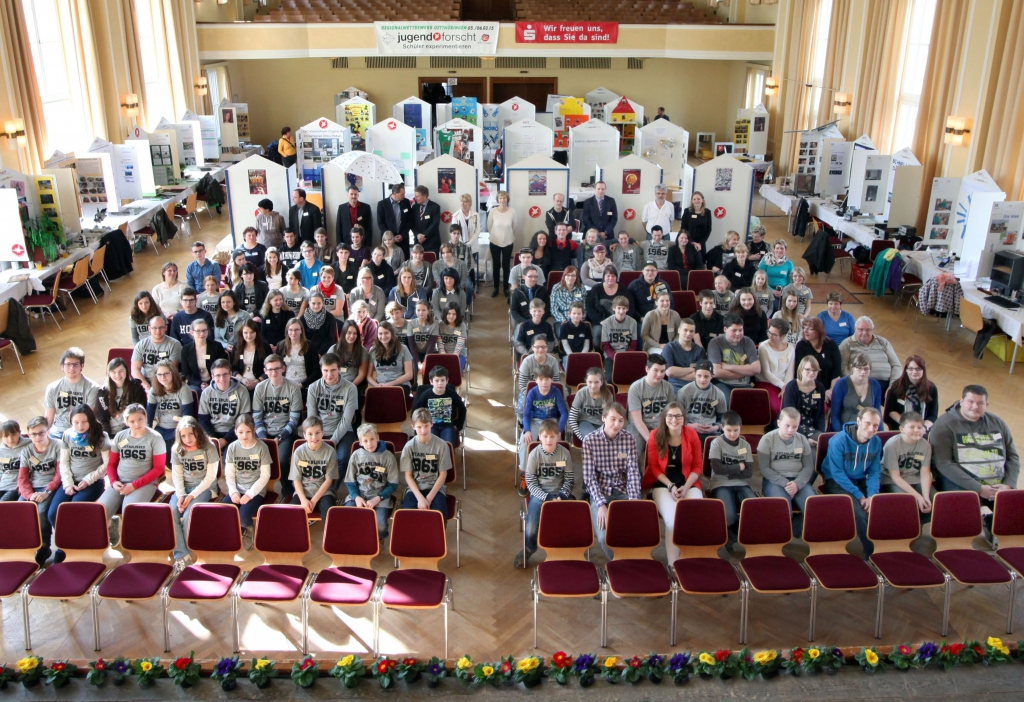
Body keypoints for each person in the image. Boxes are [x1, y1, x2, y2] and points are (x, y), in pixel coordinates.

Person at [930, 385, 1019, 506]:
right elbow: (943, 463)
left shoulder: (998, 423)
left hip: (998, 485)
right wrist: (979, 488)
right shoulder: (944, 425)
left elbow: (1012, 457)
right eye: (970, 402)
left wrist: (1008, 485)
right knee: (967, 510)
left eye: (980, 403)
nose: (975, 407)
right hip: (960, 484)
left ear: (986, 405)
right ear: (961, 402)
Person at [643, 402, 703, 563]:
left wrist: (686, 487)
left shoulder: (692, 435)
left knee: (695, 517)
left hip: (688, 483)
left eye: (678, 416)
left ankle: (690, 558)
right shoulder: (655, 435)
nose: (674, 420)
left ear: (684, 418)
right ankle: (673, 564)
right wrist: (670, 486)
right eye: (670, 416)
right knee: (672, 521)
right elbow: (654, 467)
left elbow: (698, 466)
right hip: (663, 483)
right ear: (664, 418)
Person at [48, 405, 109, 560]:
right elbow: (64, 462)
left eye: (84, 422)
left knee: (74, 511)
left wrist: (87, 481)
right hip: (71, 481)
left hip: (92, 482)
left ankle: (70, 549)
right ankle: (67, 543)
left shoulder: (101, 436)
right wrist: (68, 483)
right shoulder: (67, 435)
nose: (80, 426)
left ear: (90, 421)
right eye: (76, 422)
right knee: (53, 513)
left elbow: (107, 465)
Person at [582, 402, 641, 559]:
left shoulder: (629, 439)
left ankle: (632, 560)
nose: (616, 424)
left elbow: (633, 472)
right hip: (601, 492)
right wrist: (601, 504)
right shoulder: (589, 441)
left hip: (623, 490)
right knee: (604, 537)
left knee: (636, 530)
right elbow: (589, 478)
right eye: (613, 419)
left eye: (621, 421)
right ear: (603, 418)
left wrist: (634, 500)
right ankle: (618, 562)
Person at [822, 407, 882, 558]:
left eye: (875, 425)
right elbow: (837, 474)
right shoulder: (838, 441)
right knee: (860, 514)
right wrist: (861, 496)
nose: (871, 429)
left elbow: (875, 472)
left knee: (877, 508)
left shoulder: (876, 442)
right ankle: (872, 553)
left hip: (860, 479)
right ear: (858, 421)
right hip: (836, 481)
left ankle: (885, 545)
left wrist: (872, 496)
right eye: (867, 423)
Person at [98, 404, 167, 535]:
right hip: (120, 482)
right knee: (99, 512)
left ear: (146, 417)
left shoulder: (156, 438)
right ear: (126, 422)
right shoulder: (120, 436)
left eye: (140, 419)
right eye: (132, 421)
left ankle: (131, 544)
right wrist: (113, 481)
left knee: (129, 512)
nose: (137, 424)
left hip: (144, 483)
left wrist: (134, 485)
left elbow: (158, 469)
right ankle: (112, 530)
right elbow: (112, 464)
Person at [516, 419, 575, 568]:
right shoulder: (534, 455)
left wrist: (561, 496)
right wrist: (548, 498)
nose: (549, 440)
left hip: (561, 493)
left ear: (558, 437)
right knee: (531, 526)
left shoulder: (564, 454)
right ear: (540, 437)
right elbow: (531, 482)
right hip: (540, 494)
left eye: (552, 436)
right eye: (545, 436)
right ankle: (530, 546)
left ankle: (571, 548)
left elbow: (569, 479)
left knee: (575, 516)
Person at [168, 417, 219, 565]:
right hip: (184, 489)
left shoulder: (209, 447)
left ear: (197, 432)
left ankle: (189, 551)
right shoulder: (176, 449)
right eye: (183, 436)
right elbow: (176, 476)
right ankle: (181, 555)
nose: (187, 439)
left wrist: (190, 496)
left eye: (190, 434)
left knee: (190, 512)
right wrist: (181, 495)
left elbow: (210, 477)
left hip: (204, 488)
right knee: (172, 512)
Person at [305, 352, 358, 495]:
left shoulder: (350, 388)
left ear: (339, 369)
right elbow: (312, 417)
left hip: (343, 431)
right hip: (319, 431)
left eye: (333, 370)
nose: (329, 375)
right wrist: (319, 436)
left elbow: (347, 420)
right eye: (326, 371)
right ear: (321, 370)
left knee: (342, 458)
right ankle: (315, 487)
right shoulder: (313, 388)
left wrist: (333, 440)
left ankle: (331, 489)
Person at [221, 414, 272, 547]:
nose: (244, 435)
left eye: (248, 432)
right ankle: (236, 532)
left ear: (254, 430)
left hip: (255, 491)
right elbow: (229, 473)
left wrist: (250, 494)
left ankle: (248, 528)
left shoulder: (262, 447)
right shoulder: (232, 448)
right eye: (241, 432)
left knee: (244, 516)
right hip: (238, 488)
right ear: (235, 432)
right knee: (224, 510)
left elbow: (265, 475)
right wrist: (232, 491)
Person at [252, 353, 303, 487]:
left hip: (285, 432)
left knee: (281, 459)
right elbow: (257, 418)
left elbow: (294, 421)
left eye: (277, 369)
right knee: (256, 457)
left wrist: (278, 439)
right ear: (265, 371)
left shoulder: (293, 388)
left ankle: (287, 491)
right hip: (264, 432)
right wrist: (264, 439)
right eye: (270, 369)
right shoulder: (260, 388)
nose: (273, 372)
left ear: (283, 369)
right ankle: (260, 489)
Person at [757, 408, 815, 524]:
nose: (790, 430)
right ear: (779, 423)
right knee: (783, 510)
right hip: (775, 480)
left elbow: (808, 467)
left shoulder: (802, 440)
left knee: (813, 510)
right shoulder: (767, 439)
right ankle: (784, 533)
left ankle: (793, 530)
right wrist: (786, 484)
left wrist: (797, 484)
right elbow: (764, 468)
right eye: (787, 425)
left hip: (798, 479)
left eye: (795, 427)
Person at [18, 416, 62, 565]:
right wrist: (29, 495)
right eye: (33, 434)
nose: (37, 437)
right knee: (20, 509)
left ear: (48, 431)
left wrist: (46, 492)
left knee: (42, 511)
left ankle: (44, 546)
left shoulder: (57, 446)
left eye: (41, 433)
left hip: (50, 487)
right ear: (28, 435)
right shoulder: (27, 451)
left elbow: (59, 475)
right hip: (33, 489)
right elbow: (22, 478)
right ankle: (26, 546)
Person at [343, 423, 400, 538]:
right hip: (359, 494)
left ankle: (379, 539)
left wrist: (378, 498)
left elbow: (393, 484)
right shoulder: (356, 456)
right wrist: (357, 497)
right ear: (360, 441)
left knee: (381, 525)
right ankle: (356, 539)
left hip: (379, 496)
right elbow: (350, 481)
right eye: (365, 440)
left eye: (372, 439)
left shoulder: (388, 456)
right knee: (347, 517)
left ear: (378, 438)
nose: (369, 444)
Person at [708, 411, 755, 534]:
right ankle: (731, 537)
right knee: (729, 515)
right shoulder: (716, 443)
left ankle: (743, 534)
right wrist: (739, 466)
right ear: (722, 427)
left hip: (741, 483)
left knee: (755, 508)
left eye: (736, 430)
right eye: (729, 430)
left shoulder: (745, 445)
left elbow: (749, 473)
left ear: (740, 427)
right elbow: (717, 468)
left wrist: (728, 472)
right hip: (720, 483)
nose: (733, 434)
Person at [401, 408, 453, 518]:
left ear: (432, 424)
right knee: (407, 516)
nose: (423, 430)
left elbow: (443, 474)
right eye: (419, 427)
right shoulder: (409, 447)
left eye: (426, 426)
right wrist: (420, 498)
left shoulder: (441, 445)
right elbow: (408, 476)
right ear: (413, 426)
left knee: (440, 515)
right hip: (415, 488)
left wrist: (428, 498)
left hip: (435, 487)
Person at [881, 412, 933, 520]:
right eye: (912, 427)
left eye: (920, 427)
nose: (917, 430)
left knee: (934, 500)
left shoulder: (926, 445)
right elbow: (895, 476)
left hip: (914, 478)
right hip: (891, 480)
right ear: (902, 429)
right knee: (907, 502)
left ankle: (919, 525)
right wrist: (918, 496)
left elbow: (925, 473)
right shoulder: (892, 445)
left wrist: (925, 496)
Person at [44, 347, 100, 440]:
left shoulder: (93, 387)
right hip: (59, 430)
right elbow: (49, 417)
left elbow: (88, 415)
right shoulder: (52, 388)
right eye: (68, 364)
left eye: (76, 364)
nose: (71, 368)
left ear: (82, 366)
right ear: (62, 366)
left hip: (81, 430)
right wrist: (44, 432)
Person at [289, 417, 338, 519]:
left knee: (330, 516)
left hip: (324, 492)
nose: (314, 437)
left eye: (317, 433)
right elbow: (296, 479)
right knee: (291, 515)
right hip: (303, 490)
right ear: (304, 435)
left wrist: (313, 500)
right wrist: (303, 500)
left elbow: (329, 480)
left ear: (323, 433)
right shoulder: (299, 452)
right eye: (310, 434)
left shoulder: (330, 451)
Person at [626, 353, 675, 457]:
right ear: (647, 369)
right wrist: (651, 440)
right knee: (632, 450)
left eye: (662, 371)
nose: (659, 374)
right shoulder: (636, 388)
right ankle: (635, 473)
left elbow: (671, 413)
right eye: (655, 370)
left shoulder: (668, 387)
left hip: (661, 425)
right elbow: (637, 420)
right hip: (640, 425)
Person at [838, 317, 902, 395]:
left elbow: (896, 365)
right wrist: (853, 383)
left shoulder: (883, 342)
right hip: (859, 384)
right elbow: (842, 367)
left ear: (872, 330)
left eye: (868, 330)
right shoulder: (846, 344)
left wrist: (893, 385)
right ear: (855, 329)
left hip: (886, 384)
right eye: (860, 329)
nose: (864, 333)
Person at [519, 366, 568, 465]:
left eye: (547, 379)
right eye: (541, 379)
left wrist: (560, 430)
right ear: (536, 380)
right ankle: (525, 473)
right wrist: (527, 430)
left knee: (557, 444)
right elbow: (526, 414)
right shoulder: (532, 393)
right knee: (525, 442)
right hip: (535, 420)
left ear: (552, 380)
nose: (544, 382)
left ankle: (559, 470)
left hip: (551, 421)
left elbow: (564, 413)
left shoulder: (556, 392)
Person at [707, 314, 760, 403]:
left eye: (740, 330)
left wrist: (727, 367)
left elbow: (757, 369)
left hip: (745, 384)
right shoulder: (715, 343)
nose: (738, 333)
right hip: (722, 384)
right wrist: (745, 372)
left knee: (755, 404)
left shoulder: (748, 342)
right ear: (725, 329)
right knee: (726, 401)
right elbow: (716, 372)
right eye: (734, 330)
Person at [199, 359, 252, 448]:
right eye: (218, 375)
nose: (222, 379)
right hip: (211, 434)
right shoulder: (206, 393)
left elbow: (244, 419)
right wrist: (214, 439)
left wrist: (225, 440)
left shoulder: (242, 391)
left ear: (230, 374)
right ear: (212, 377)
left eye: (225, 374)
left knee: (227, 460)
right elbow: (203, 419)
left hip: (235, 434)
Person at [146, 360, 194, 454]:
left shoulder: (184, 389)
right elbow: (149, 415)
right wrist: (147, 433)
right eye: (159, 374)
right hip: (160, 428)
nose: (163, 377)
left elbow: (187, 417)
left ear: (173, 373)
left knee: (168, 451)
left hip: (177, 429)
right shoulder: (153, 390)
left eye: (166, 374)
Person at [412, 365, 467, 445]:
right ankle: (432, 457)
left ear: (447, 381)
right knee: (431, 445)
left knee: (448, 446)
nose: (440, 383)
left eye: (442, 380)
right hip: (431, 426)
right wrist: (422, 425)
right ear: (431, 382)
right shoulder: (426, 394)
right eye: (437, 380)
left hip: (447, 426)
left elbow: (462, 409)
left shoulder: (451, 394)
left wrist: (458, 425)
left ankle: (447, 458)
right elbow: (415, 410)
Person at [829, 353, 882, 432]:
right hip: (844, 428)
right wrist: (841, 434)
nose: (863, 372)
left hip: (867, 430)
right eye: (859, 368)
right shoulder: (841, 384)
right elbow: (835, 416)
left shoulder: (875, 385)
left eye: (866, 369)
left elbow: (877, 413)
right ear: (852, 367)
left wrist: (879, 433)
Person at [884, 355, 938, 431]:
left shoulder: (931, 388)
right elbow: (891, 411)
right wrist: (906, 425)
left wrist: (923, 427)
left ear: (923, 370)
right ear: (906, 370)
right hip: (901, 426)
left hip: (922, 428)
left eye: (918, 369)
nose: (914, 372)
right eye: (911, 369)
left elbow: (933, 415)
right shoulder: (897, 386)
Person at [95, 358, 147, 437]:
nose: (117, 375)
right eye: (113, 372)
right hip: (109, 432)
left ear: (126, 370)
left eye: (121, 371)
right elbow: (101, 417)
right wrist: (106, 434)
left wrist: (124, 434)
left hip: (131, 431)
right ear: (109, 373)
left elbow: (139, 413)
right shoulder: (103, 392)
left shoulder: (136, 388)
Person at [782, 355, 827, 446]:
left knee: (824, 443)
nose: (811, 373)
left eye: (815, 370)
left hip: (812, 428)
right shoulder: (792, 387)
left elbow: (820, 416)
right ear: (801, 369)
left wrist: (821, 435)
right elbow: (789, 416)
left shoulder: (820, 388)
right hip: (793, 427)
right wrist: (805, 439)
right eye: (808, 369)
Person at [794, 317, 843, 398]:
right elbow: (801, 372)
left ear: (819, 331)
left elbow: (836, 370)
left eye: (810, 329)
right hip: (810, 387)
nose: (805, 331)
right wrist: (822, 391)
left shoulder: (831, 344)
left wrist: (831, 390)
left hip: (831, 387)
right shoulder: (801, 346)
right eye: (804, 328)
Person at [754, 318, 795, 416]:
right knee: (776, 408)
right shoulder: (763, 346)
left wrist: (787, 388)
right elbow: (766, 372)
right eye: (769, 332)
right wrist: (783, 386)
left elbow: (789, 372)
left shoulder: (790, 348)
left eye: (774, 334)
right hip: (766, 382)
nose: (770, 336)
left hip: (784, 384)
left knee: (791, 407)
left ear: (782, 336)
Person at [130, 316, 183, 391]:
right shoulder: (140, 345)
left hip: (166, 381)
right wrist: (146, 387)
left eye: (161, 327)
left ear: (166, 328)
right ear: (149, 329)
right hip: (146, 381)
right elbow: (135, 370)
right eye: (154, 328)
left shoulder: (175, 344)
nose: (158, 331)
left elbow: (171, 369)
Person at [676, 360, 725, 439]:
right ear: (695, 375)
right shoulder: (683, 392)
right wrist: (690, 426)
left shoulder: (719, 395)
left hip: (711, 432)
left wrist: (715, 428)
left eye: (706, 376)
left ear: (712, 376)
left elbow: (723, 418)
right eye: (699, 376)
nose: (702, 380)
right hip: (687, 429)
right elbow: (677, 417)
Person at [180, 319, 228, 393]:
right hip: (195, 382)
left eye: (204, 330)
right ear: (192, 332)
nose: (202, 334)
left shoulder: (217, 346)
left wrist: (210, 382)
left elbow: (223, 366)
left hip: (215, 380)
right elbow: (186, 372)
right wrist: (199, 383)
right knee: (194, 391)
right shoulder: (186, 349)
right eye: (198, 331)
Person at [368, 322, 414, 397]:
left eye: (386, 333)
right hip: (380, 385)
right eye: (380, 333)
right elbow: (368, 376)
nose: (383, 336)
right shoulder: (373, 350)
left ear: (392, 333)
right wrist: (377, 385)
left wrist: (388, 385)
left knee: (391, 396)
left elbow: (409, 375)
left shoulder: (403, 348)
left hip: (400, 385)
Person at [517, 335, 561, 411]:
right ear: (532, 348)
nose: (540, 349)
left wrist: (547, 395)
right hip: (529, 393)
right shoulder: (526, 362)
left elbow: (556, 381)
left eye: (543, 347)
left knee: (554, 408)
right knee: (522, 410)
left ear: (547, 348)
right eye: (537, 347)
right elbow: (522, 385)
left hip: (549, 392)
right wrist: (535, 396)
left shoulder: (553, 361)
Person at [568, 367, 613, 443]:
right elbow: (572, 417)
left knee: (606, 440)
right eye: (590, 382)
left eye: (596, 382)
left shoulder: (607, 395)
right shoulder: (581, 393)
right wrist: (582, 438)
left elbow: (610, 416)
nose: (593, 385)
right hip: (585, 421)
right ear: (586, 381)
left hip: (602, 423)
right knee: (593, 440)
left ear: (601, 382)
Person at [661, 318, 706, 391]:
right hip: (675, 387)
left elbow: (700, 376)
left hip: (696, 388)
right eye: (685, 330)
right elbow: (669, 372)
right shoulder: (669, 348)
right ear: (679, 330)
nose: (688, 333)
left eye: (691, 331)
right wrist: (691, 369)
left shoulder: (700, 351)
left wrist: (676, 374)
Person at [278, 319, 321, 392]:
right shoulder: (281, 346)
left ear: (301, 331)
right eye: (290, 330)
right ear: (287, 331)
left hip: (305, 386)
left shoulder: (310, 346)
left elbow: (316, 370)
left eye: (296, 330)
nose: (293, 333)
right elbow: (278, 367)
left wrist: (302, 385)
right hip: (286, 386)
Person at [600, 296, 638, 372]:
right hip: (611, 356)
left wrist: (626, 356)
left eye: (624, 308)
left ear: (627, 309)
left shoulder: (633, 322)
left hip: (627, 355)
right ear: (613, 308)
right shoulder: (606, 323)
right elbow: (605, 345)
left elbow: (633, 343)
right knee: (610, 379)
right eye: (619, 308)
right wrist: (615, 357)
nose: (621, 311)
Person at [377, 183, 413, 255]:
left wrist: (402, 235)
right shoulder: (382, 204)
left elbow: (410, 220)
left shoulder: (406, 202)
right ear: (395, 193)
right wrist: (391, 237)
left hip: (403, 239)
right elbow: (380, 223)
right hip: (388, 241)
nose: (404, 196)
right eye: (402, 194)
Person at [0, 420, 30, 502]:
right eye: (6, 436)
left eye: (13, 434)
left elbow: (35, 466)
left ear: (19, 432)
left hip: (17, 485)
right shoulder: (1, 450)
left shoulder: (29, 445)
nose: (10, 439)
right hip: (4, 484)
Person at [550, 265, 587, 330]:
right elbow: (553, 308)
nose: (570, 278)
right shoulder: (556, 288)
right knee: (563, 333)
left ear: (576, 277)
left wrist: (579, 319)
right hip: (562, 320)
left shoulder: (581, 288)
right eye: (568, 275)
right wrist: (563, 320)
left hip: (578, 318)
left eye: (573, 275)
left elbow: (584, 306)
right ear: (564, 276)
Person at [300, 291, 337, 356]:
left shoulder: (330, 318)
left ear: (323, 303)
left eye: (319, 303)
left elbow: (330, 338)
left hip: (325, 352)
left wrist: (320, 353)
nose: (316, 306)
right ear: (309, 303)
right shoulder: (302, 319)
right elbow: (302, 338)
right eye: (313, 303)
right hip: (307, 351)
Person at [437, 303, 469, 372]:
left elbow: (459, 345)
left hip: (459, 354)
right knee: (440, 372)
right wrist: (443, 354)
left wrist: (453, 357)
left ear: (457, 315)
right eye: (449, 313)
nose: (451, 316)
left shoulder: (462, 326)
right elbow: (439, 342)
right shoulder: (440, 325)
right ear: (445, 314)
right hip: (444, 353)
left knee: (455, 370)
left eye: (454, 314)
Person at [411, 185, 442, 254]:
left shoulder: (435, 207)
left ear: (425, 196)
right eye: (415, 196)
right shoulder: (414, 207)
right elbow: (411, 223)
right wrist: (417, 235)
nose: (415, 198)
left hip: (432, 242)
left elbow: (435, 223)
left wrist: (425, 235)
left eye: (417, 196)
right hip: (418, 243)